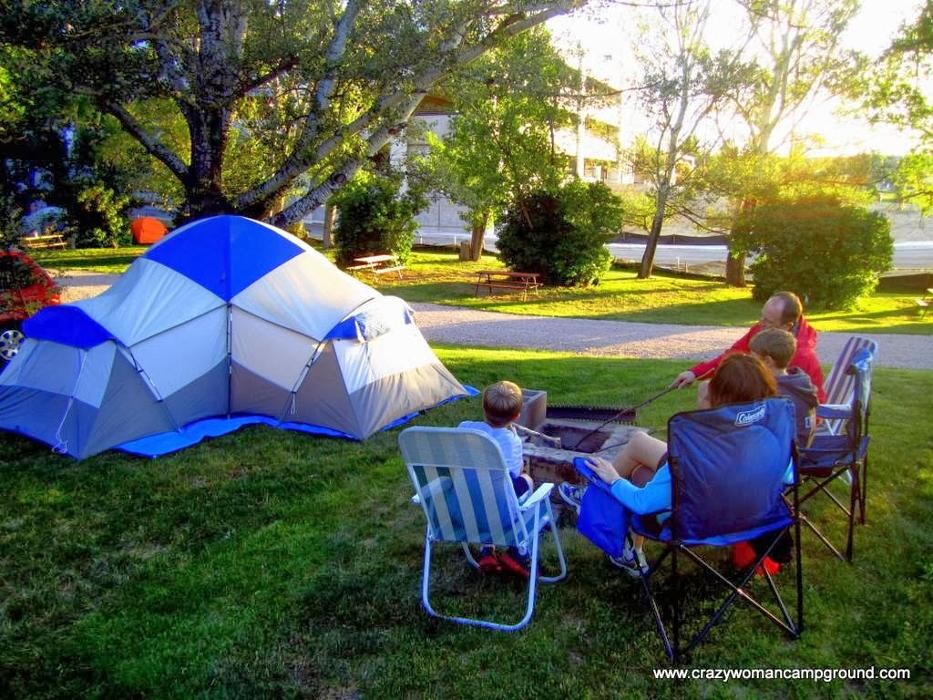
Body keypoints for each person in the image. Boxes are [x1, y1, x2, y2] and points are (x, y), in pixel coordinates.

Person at [560, 354, 779, 577]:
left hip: (694, 521)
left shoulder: (694, 449)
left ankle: (621, 536)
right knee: (639, 447)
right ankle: (621, 537)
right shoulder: (769, 436)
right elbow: (785, 478)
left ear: (714, 400)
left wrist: (613, 478)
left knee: (637, 474)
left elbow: (642, 503)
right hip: (743, 516)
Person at [671, 291, 826, 402]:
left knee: (718, 395)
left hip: (777, 412)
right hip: (761, 399)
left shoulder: (803, 355)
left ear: (787, 326)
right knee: (707, 388)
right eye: (762, 317)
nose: (760, 323)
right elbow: (733, 356)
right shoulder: (761, 330)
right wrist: (695, 373)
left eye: (768, 321)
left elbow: (811, 403)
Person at [459, 380, 534, 577]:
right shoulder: (511, 441)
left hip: (463, 507)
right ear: (517, 416)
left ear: (483, 408)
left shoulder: (464, 428)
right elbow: (512, 476)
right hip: (499, 511)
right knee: (525, 480)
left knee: (481, 487)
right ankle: (517, 552)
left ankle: (486, 550)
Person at [749, 328, 819, 448]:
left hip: (786, 457)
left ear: (767, 361)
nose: (750, 362)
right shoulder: (799, 382)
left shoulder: (775, 394)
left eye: (753, 358)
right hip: (802, 449)